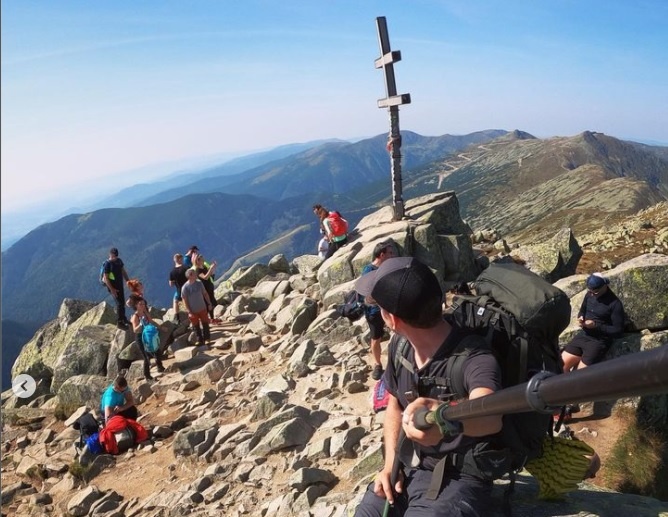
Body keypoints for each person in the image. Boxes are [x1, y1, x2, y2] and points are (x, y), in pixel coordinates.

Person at [353, 257, 503, 517]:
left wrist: (445, 418)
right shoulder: (401, 348)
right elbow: (394, 404)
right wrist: (390, 465)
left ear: (391, 319)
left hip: (460, 478)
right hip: (409, 467)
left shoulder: (474, 357)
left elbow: (490, 414)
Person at [560, 273, 625, 415]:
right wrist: (581, 318)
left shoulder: (615, 304)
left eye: (595, 290)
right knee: (561, 365)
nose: (592, 293)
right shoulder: (589, 295)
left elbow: (618, 330)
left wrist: (596, 325)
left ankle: (571, 405)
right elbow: (583, 309)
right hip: (584, 335)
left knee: (578, 374)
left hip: (599, 341)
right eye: (590, 290)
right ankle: (562, 399)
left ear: (605, 286)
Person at [361, 240, 397, 380]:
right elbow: (367, 293)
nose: (392, 255)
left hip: (389, 306)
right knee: (376, 338)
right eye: (389, 253)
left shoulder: (387, 267)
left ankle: (398, 359)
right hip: (374, 310)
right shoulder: (368, 271)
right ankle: (377, 364)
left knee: (398, 330)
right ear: (382, 255)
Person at [128, 294, 165, 381]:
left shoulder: (145, 313)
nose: (143, 305)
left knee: (156, 349)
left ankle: (160, 366)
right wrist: (140, 324)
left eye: (144, 304)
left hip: (148, 335)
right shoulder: (135, 317)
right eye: (141, 304)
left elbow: (151, 321)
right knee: (146, 357)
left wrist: (160, 327)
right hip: (140, 337)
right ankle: (147, 376)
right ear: (136, 305)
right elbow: (135, 330)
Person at [181, 268, 212, 346]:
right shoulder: (185, 287)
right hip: (192, 311)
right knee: (196, 326)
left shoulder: (199, 283)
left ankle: (207, 339)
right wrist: (189, 311)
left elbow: (205, 293)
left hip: (202, 307)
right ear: (190, 276)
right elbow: (185, 301)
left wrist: (209, 303)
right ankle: (199, 340)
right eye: (194, 273)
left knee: (205, 324)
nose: (196, 274)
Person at [103, 247, 131, 329]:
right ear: (110, 254)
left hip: (119, 285)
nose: (114, 258)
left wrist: (128, 281)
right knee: (119, 304)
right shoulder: (107, 264)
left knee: (122, 302)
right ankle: (120, 323)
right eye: (113, 256)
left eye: (115, 256)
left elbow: (123, 271)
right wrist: (112, 290)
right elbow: (106, 278)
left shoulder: (119, 261)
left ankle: (123, 318)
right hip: (113, 287)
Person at [195, 254, 220, 323]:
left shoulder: (204, 267)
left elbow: (210, 275)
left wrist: (213, 268)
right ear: (198, 261)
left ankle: (212, 318)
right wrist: (211, 269)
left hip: (209, 287)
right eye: (202, 259)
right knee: (209, 303)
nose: (203, 260)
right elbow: (205, 277)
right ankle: (209, 319)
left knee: (213, 302)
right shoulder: (198, 270)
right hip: (205, 289)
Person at [169, 253, 188, 323]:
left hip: (180, 292)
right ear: (180, 259)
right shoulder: (186, 268)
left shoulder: (172, 272)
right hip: (190, 289)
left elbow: (171, 284)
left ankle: (177, 317)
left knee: (175, 300)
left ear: (174, 260)